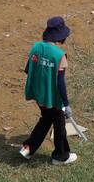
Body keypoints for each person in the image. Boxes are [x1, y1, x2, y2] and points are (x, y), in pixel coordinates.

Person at [20, 17, 77, 165]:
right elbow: (60, 84)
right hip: (53, 99)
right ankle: (61, 156)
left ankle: (28, 148)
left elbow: (28, 70)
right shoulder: (60, 56)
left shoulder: (36, 48)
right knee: (59, 126)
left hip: (38, 96)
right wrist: (66, 104)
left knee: (46, 119)